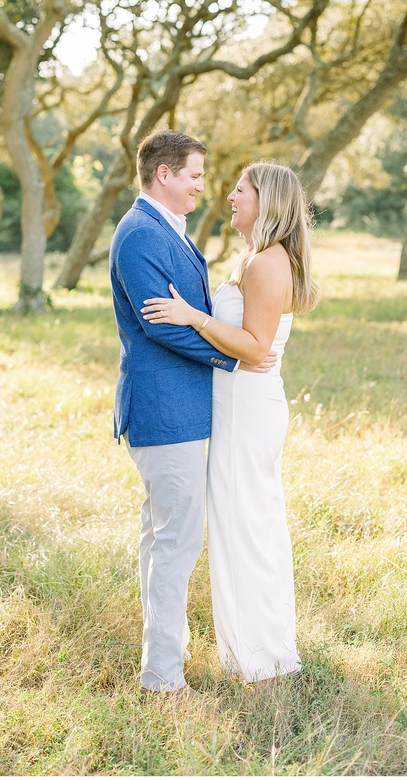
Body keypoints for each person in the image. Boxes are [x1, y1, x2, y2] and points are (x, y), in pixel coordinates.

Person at [142, 161, 319, 683]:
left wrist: (193, 316)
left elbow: (254, 348)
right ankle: (259, 651)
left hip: (246, 408)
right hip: (239, 405)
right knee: (245, 524)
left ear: (267, 201)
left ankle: (261, 659)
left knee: (245, 528)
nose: (230, 195)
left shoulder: (266, 261)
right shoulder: (256, 257)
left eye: (241, 189)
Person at [109, 130, 273, 698]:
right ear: (165, 175)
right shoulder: (139, 235)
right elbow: (158, 322)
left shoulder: (164, 230)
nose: (204, 186)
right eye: (196, 175)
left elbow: (184, 313)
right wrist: (235, 358)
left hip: (181, 410)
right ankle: (161, 675)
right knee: (175, 540)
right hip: (165, 410)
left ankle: (161, 660)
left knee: (164, 538)